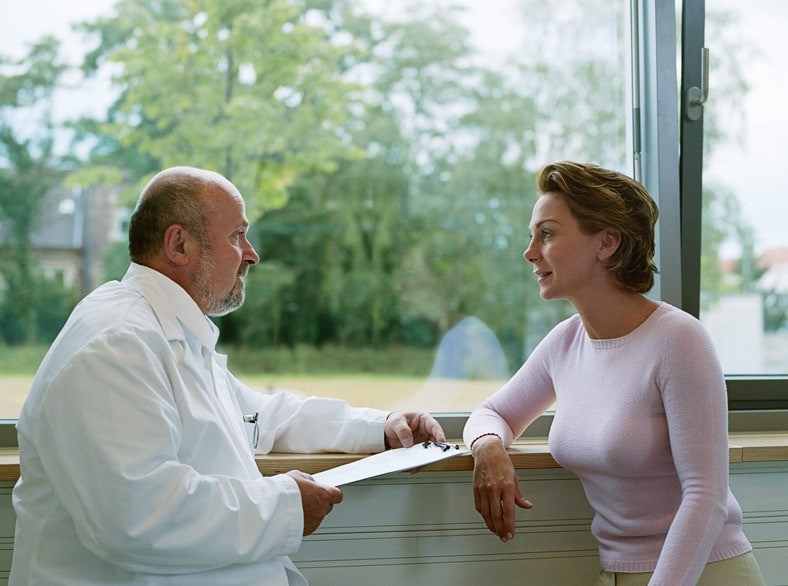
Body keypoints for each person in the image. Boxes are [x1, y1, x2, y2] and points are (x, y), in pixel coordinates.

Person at [10, 166, 445, 585]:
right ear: (179, 245)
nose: (252, 254)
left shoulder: (167, 332)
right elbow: (138, 517)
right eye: (237, 235)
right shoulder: (114, 345)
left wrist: (382, 428)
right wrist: (285, 505)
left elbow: (259, 415)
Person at [463, 161, 765, 585]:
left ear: (606, 243)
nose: (529, 251)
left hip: (703, 573)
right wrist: (488, 447)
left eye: (547, 234)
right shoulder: (565, 343)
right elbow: (492, 412)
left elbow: (706, 498)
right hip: (617, 572)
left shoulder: (679, 339)